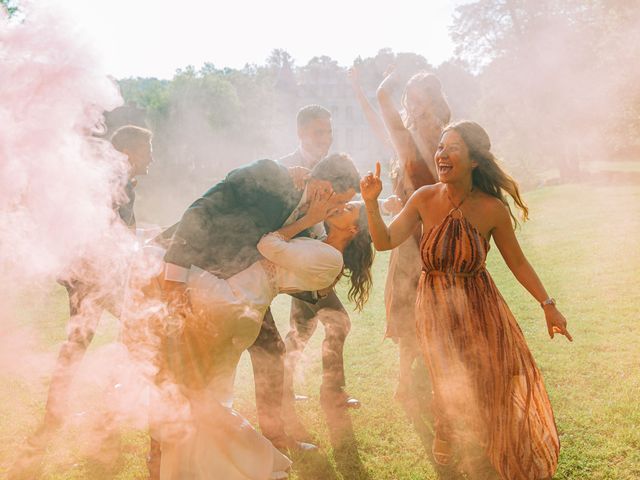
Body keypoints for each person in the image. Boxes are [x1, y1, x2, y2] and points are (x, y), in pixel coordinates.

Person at [361, 121, 571, 479]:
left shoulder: (491, 209)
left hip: (479, 303)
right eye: (440, 147)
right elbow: (383, 242)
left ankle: (494, 437)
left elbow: (517, 262)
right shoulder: (424, 198)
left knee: (489, 376)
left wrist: (547, 304)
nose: (441, 154)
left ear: (474, 160)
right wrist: (369, 203)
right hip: (434, 304)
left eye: (452, 148)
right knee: (444, 377)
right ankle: (446, 431)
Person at [144, 195, 373, 480]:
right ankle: (201, 460)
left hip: (233, 300)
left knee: (154, 264)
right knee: (198, 389)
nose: (342, 206)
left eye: (349, 209)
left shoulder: (329, 258)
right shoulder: (322, 247)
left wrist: (308, 218)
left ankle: (216, 459)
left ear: (352, 230)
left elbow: (268, 244)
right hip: (243, 301)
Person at [161, 153, 361, 452]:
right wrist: (174, 280)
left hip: (240, 291)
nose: (335, 210)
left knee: (271, 352)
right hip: (190, 273)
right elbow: (199, 212)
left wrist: (320, 291)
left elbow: (286, 265)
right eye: (337, 201)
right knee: (180, 363)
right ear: (321, 186)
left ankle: (275, 438)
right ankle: (164, 451)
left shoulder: (311, 223)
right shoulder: (270, 175)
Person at [43, 125, 153, 429]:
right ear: (131, 152)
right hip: (92, 274)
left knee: (82, 340)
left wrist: (141, 238)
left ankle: (62, 409)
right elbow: (101, 226)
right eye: (149, 151)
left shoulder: (122, 181)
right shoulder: (111, 180)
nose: (152, 159)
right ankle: (112, 406)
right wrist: (134, 244)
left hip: (96, 273)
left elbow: (119, 227)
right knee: (138, 328)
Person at [279, 106, 364, 445]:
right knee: (337, 321)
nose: (325, 139)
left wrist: (381, 203)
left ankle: (284, 389)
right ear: (301, 133)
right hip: (293, 259)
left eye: (328, 132)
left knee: (302, 328)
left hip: (314, 257)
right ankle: (332, 392)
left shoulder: (332, 169)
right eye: (318, 132)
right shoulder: (288, 168)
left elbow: (339, 203)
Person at [373, 67, 451, 402]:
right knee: (408, 304)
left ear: (435, 101)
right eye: (413, 100)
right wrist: (390, 81)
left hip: (445, 231)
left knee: (446, 304)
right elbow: (381, 99)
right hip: (409, 237)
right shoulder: (404, 139)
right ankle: (405, 379)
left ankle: (446, 376)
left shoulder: (449, 138)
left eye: (424, 99)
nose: (418, 107)